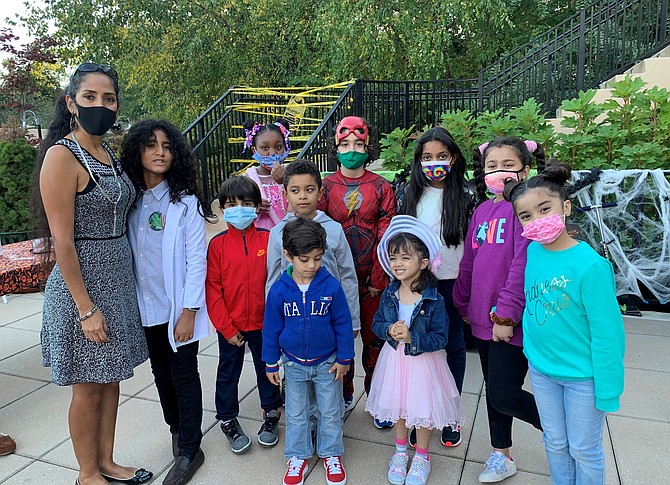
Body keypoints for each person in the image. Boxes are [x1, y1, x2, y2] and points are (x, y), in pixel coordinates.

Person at [33, 63, 151, 485]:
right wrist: (86, 309)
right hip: (82, 289)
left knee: (111, 379)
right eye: (90, 97)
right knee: (87, 387)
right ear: (71, 103)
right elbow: (63, 242)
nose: (101, 105)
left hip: (116, 282)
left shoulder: (107, 154)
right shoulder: (62, 156)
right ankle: (87, 474)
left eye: (109, 99)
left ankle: (107, 460)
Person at [504, 160, 625, 485]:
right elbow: (533, 304)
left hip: (583, 379)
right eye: (526, 216)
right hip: (544, 374)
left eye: (545, 209)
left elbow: (608, 334)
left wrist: (609, 389)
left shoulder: (591, 266)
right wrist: (532, 349)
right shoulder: (533, 253)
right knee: (555, 443)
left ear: (565, 206)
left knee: (584, 449)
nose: (536, 220)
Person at [122, 119, 215, 485]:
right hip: (145, 310)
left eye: (166, 146)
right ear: (137, 153)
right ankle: (176, 430)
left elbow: (197, 261)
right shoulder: (129, 200)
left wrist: (189, 310)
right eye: (150, 145)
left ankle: (191, 449)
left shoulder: (185, 204)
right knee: (160, 375)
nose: (160, 152)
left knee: (184, 376)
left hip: (177, 310)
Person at [453, 137, 545, 482]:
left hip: (509, 322)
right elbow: (470, 261)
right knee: (494, 391)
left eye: (508, 165)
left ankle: (557, 429)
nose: (500, 173)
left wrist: (506, 315)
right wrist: (463, 302)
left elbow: (523, 266)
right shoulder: (482, 210)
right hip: (480, 318)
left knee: (505, 393)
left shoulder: (527, 210)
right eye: (492, 166)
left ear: (526, 169)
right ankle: (501, 454)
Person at [365, 215, 463, 485]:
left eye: (405, 258)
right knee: (398, 407)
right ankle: (399, 452)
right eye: (394, 257)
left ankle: (421, 456)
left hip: (423, 363)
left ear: (423, 262)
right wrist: (388, 330)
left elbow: (440, 338)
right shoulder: (389, 293)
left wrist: (412, 336)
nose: (398, 263)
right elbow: (376, 323)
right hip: (394, 361)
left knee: (422, 409)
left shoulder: (433, 298)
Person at [397, 126, 474, 447]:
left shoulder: (467, 197)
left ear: (454, 158)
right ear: (418, 161)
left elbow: (473, 245)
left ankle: (450, 411)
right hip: (420, 285)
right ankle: (425, 413)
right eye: (427, 157)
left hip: (454, 284)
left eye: (442, 156)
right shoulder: (409, 195)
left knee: (453, 345)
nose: (434, 162)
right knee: (423, 348)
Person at [263, 217, 354, 485]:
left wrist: (344, 358)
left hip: (327, 362)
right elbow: (270, 328)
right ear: (288, 255)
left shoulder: (330, 286)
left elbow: (342, 323)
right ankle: (298, 456)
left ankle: (331, 453)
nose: (312, 265)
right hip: (293, 364)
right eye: (305, 259)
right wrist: (270, 362)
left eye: (317, 258)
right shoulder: (280, 290)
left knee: (330, 410)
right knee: (296, 412)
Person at [317, 116, 396, 422]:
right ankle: (344, 393)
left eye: (358, 144)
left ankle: (377, 397)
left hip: (373, 276)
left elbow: (386, 234)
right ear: (335, 147)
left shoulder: (381, 187)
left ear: (367, 146)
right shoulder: (324, 187)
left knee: (376, 340)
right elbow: (317, 233)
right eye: (345, 144)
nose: (352, 149)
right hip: (336, 278)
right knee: (340, 339)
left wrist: (378, 276)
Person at [206, 176, 284, 455]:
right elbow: (213, 290)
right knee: (228, 372)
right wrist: (226, 328)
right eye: (232, 204)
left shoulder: (269, 238)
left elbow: (278, 281)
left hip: (266, 324)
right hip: (232, 325)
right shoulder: (217, 245)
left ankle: (271, 412)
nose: (239, 208)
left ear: (256, 207)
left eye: (246, 203)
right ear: (223, 208)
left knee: (268, 369)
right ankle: (227, 418)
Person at [265, 159, 359, 334]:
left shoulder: (334, 229)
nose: (302, 196)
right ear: (285, 195)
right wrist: (272, 323)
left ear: (320, 192)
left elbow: (347, 276)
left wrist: (353, 321)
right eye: (295, 191)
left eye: (309, 190)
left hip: (330, 316)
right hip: (292, 319)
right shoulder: (277, 233)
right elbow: (273, 280)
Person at [242, 118, 291, 230]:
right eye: (265, 148)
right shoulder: (248, 178)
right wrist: (252, 206)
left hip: (289, 234)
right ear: (254, 150)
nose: (273, 153)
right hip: (260, 236)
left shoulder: (292, 173)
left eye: (278, 147)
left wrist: (286, 182)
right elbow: (239, 208)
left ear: (285, 147)